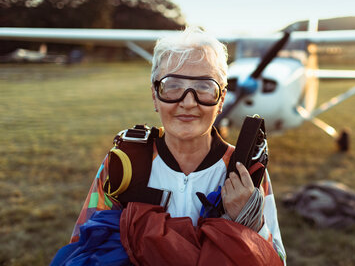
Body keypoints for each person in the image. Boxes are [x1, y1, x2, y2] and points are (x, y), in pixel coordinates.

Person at [68, 26, 286, 264]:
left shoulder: (246, 173)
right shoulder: (123, 163)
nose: (188, 102)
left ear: (221, 99)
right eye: (172, 86)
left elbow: (276, 259)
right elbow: (83, 247)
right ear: (154, 95)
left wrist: (250, 219)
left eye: (205, 87)